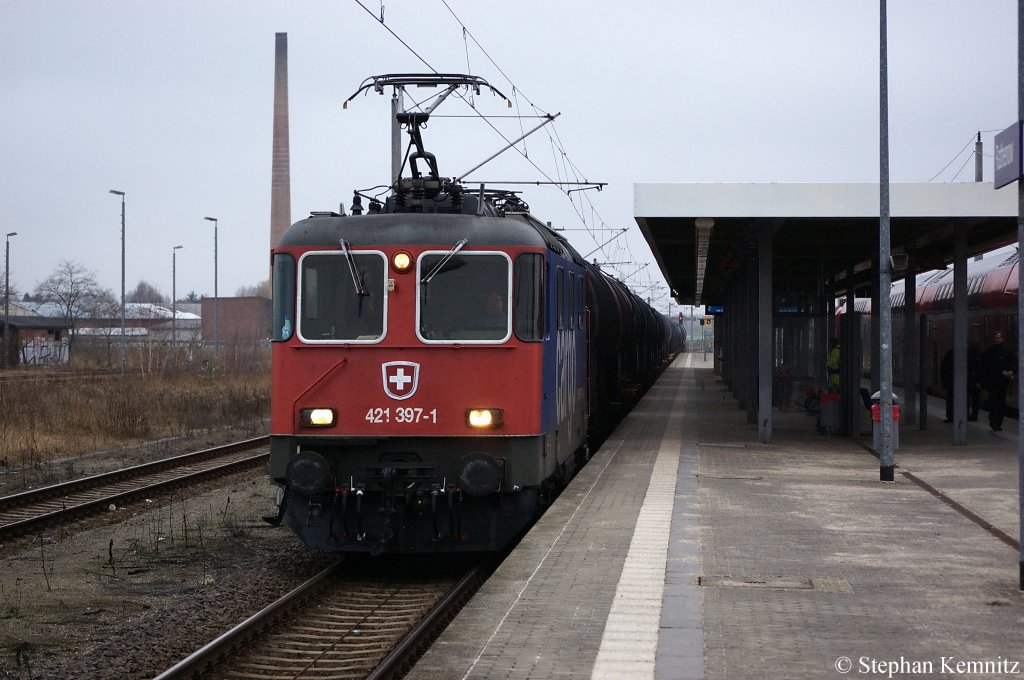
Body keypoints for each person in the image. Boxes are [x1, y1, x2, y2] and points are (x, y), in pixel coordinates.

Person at [980, 331, 1015, 432]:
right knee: (994, 401)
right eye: (995, 338)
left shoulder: (1007, 352)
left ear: (1002, 339)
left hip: (1002, 382)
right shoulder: (989, 352)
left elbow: (1014, 363)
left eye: (998, 338)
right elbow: (984, 365)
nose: (997, 339)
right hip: (993, 382)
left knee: (1000, 402)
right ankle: (994, 422)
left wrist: (1011, 371)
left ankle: (997, 423)